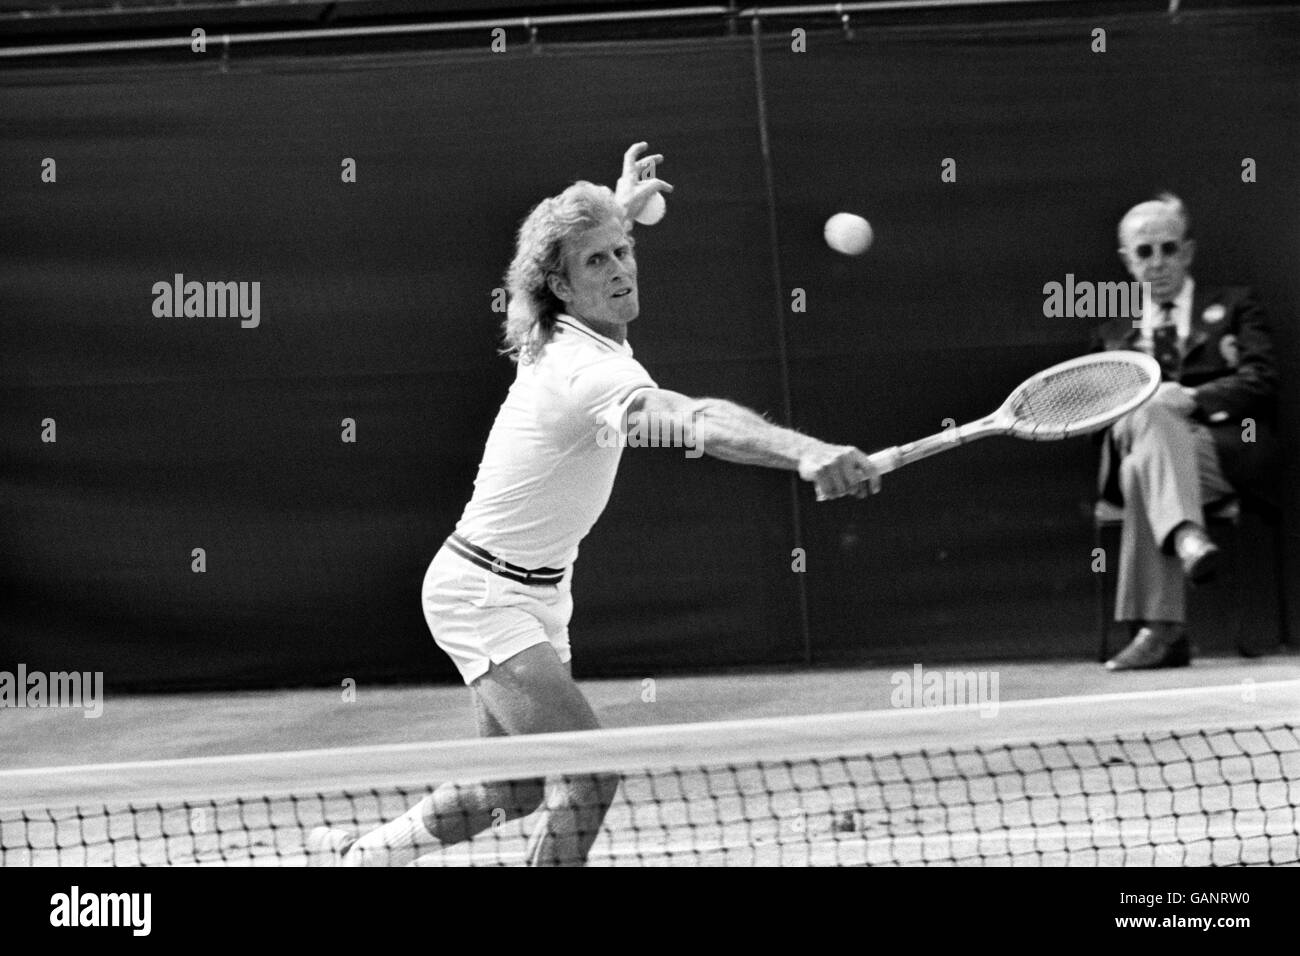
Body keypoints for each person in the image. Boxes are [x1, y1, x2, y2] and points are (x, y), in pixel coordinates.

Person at [308, 143, 882, 865]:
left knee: (509, 793)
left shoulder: (555, 327)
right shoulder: (584, 370)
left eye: (623, 252)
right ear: (564, 287)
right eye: (597, 263)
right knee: (590, 775)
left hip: (538, 593)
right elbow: (695, 417)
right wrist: (803, 451)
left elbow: (559, 266)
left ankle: (364, 858)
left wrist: (619, 204)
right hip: (485, 594)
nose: (620, 271)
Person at [1093, 193, 1278, 671]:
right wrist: (1155, 410)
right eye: (1145, 252)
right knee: (1146, 426)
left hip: (1220, 455)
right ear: (1126, 261)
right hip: (1141, 444)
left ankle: (1163, 633)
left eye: (1169, 248)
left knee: (1142, 471)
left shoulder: (1235, 306)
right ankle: (1188, 537)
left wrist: (1193, 398)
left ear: (1189, 252)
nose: (1158, 263)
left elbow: (1261, 380)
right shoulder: (1111, 332)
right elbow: (1099, 413)